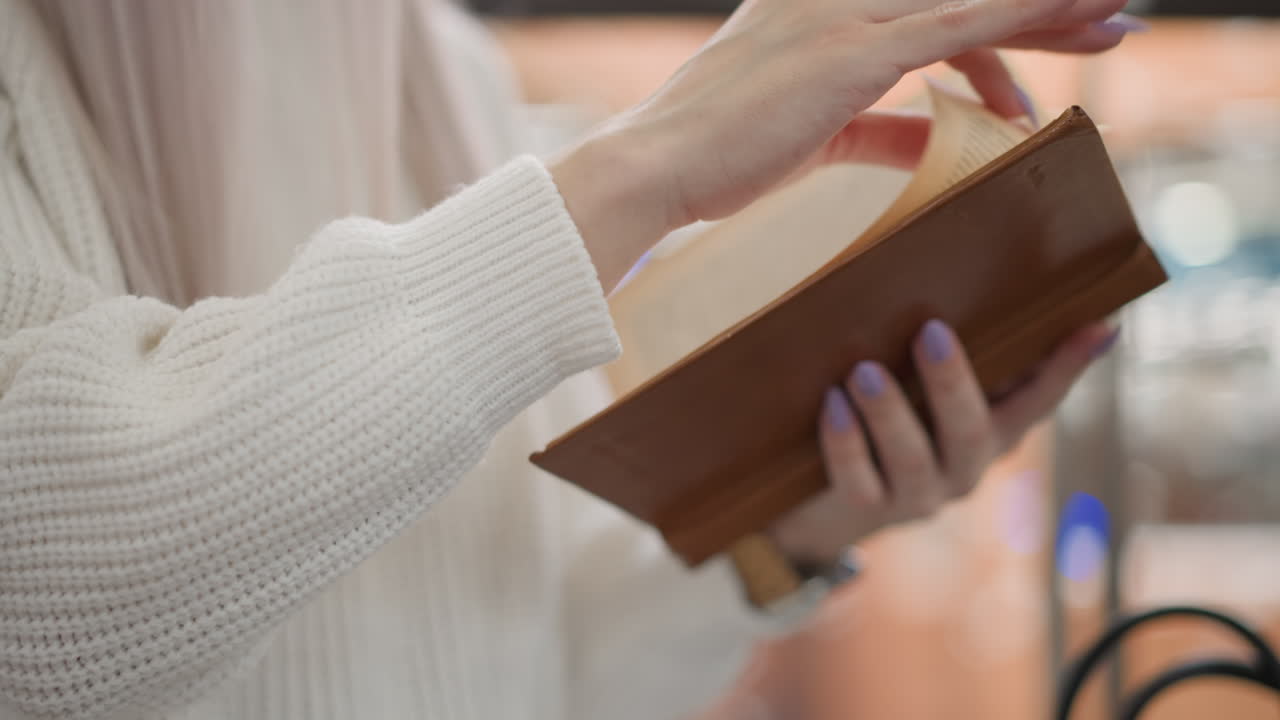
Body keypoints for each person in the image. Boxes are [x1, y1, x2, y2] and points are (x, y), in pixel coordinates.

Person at [0, 0, 1139, 718]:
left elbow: (547, 673)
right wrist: (641, 168)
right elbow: (35, 612)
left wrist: (789, 523)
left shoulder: (441, 61)